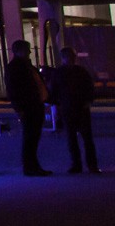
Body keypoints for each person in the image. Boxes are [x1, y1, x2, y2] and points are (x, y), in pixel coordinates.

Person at [5, 39, 50, 176]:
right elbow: (13, 90)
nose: (29, 52)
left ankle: (33, 166)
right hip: (29, 107)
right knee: (30, 138)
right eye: (27, 49)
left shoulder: (26, 66)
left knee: (33, 138)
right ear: (19, 51)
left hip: (34, 105)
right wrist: (20, 108)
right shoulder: (17, 68)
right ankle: (30, 167)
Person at [54, 48, 99, 174]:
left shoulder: (60, 72)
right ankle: (89, 165)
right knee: (82, 138)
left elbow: (55, 91)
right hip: (76, 107)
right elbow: (89, 87)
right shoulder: (79, 71)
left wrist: (57, 105)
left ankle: (79, 165)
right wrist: (88, 101)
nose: (72, 59)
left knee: (76, 138)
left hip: (71, 107)